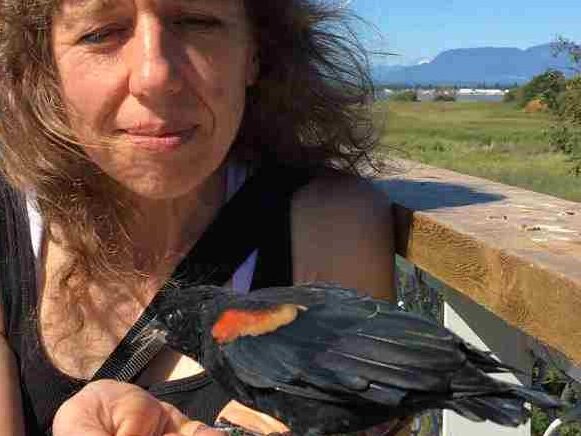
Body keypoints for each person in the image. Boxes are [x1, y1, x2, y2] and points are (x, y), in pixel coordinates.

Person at [0, 0, 396, 434]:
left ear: (255, 53)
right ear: (45, 65)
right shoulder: (8, 223)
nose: (155, 76)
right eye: (100, 32)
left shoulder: (329, 227)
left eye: (196, 21)